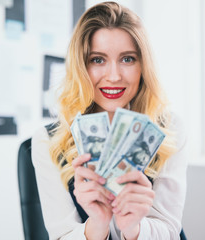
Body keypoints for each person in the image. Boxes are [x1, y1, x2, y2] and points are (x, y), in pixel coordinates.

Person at [32, 2, 187, 239]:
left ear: (143, 65)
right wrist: (97, 224)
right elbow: (61, 234)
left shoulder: (169, 129)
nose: (114, 76)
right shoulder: (47, 141)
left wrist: (134, 228)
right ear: (80, 66)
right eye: (97, 60)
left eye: (127, 59)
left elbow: (169, 231)